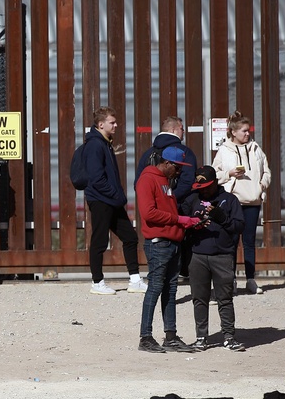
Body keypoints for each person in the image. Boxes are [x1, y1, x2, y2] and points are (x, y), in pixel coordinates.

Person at [136, 146, 198, 353]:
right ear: (167, 163)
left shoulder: (165, 182)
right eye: (178, 167)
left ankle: (170, 336)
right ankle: (145, 337)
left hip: (172, 241)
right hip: (158, 242)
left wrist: (183, 223)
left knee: (170, 290)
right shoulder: (148, 179)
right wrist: (179, 219)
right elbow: (149, 213)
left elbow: (164, 211)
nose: (180, 172)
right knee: (155, 287)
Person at [80, 107, 146, 295]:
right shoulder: (95, 144)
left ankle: (135, 280)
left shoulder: (104, 142)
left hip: (111, 200)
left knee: (130, 237)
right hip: (101, 200)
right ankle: (97, 283)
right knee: (99, 241)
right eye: (112, 122)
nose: (116, 125)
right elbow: (96, 178)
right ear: (101, 124)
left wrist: (116, 196)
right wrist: (115, 195)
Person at [180, 166, 246, 352]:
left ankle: (229, 337)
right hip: (197, 255)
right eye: (200, 187)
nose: (204, 190)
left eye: (207, 186)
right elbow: (181, 222)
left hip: (222, 256)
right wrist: (194, 223)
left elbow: (239, 226)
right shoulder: (192, 199)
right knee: (199, 298)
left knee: (225, 298)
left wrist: (222, 218)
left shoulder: (230, 200)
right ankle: (201, 337)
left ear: (216, 183)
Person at [211, 110, 271, 295]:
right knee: (231, 242)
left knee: (249, 241)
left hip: (252, 200)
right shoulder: (224, 150)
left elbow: (267, 171)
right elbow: (214, 174)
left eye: (248, 130)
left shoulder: (255, 148)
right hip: (233, 201)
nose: (247, 133)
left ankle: (251, 279)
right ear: (233, 132)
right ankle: (232, 280)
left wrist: (262, 185)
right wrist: (229, 174)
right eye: (244, 131)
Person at [134, 116, 199, 279]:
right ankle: (182, 272)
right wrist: (169, 199)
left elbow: (138, 182)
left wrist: (156, 200)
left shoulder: (148, 153)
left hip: (155, 211)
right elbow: (188, 181)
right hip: (178, 206)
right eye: (182, 128)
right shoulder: (184, 152)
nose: (183, 132)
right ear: (173, 130)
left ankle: (160, 274)